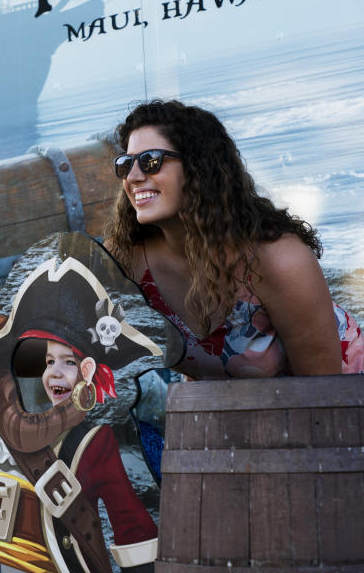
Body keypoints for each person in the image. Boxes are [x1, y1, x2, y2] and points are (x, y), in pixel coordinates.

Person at [0, 253, 161, 573]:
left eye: (68, 361)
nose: (54, 373)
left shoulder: (93, 441)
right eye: (44, 360)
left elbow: (132, 527)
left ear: (87, 370)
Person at [103, 99, 362, 379]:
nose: (133, 176)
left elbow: (322, 397)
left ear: (198, 167)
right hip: (224, 409)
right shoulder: (123, 262)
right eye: (125, 164)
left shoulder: (279, 261)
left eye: (150, 161)